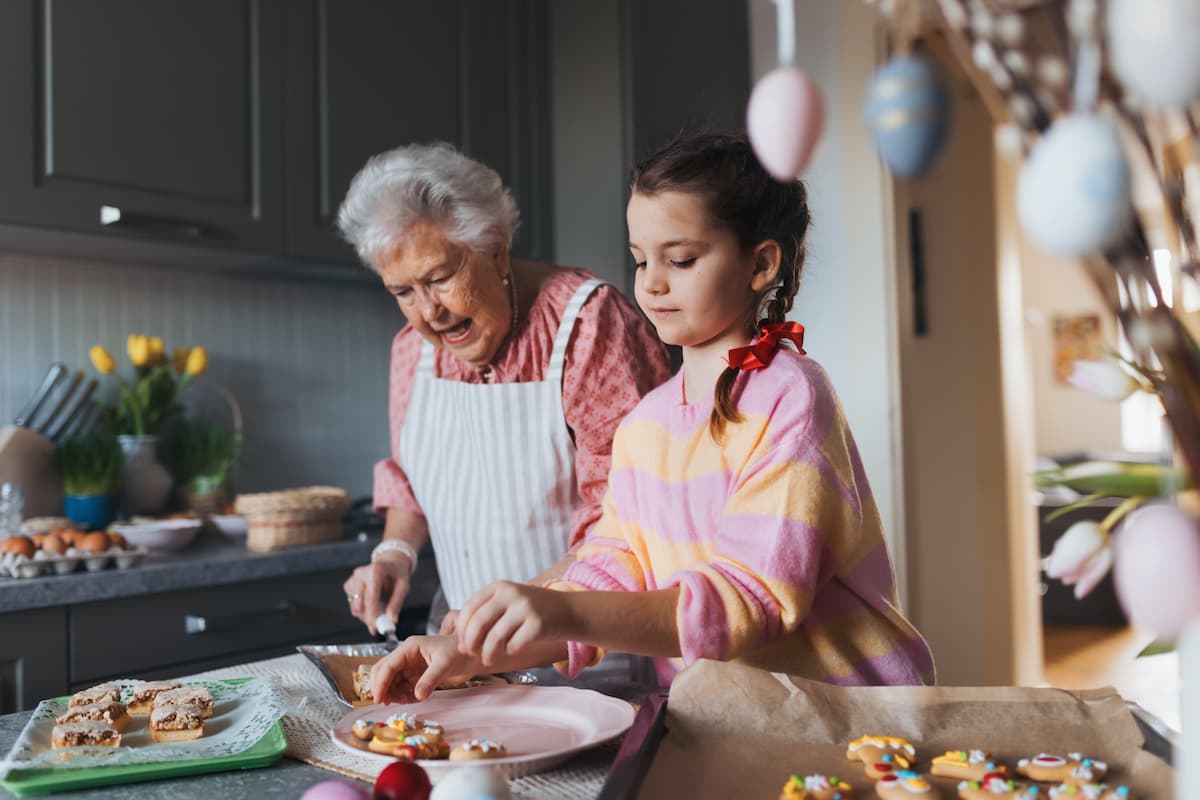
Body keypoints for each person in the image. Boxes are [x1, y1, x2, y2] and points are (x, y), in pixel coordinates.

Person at [369, 132, 935, 704]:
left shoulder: (789, 397)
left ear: (761, 263)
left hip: (848, 714)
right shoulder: (648, 422)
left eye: (681, 259)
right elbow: (613, 567)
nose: (652, 282)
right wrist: (465, 653)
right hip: (727, 715)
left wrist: (563, 607)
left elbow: (751, 600)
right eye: (641, 259)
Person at [337, 143, 671, 635]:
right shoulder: (413, 350)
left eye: (440, 277)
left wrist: (526, 613)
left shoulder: (589, 326)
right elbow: (410, 481)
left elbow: (627, 515)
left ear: (495, 248)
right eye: (403, 292)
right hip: (466, 643)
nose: (429, 311)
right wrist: (394, 554)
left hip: (592, 647)